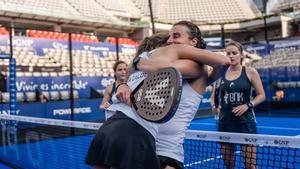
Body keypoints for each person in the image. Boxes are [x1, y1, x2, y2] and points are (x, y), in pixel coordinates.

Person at [85, 32, 229, 169]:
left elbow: (220, 64)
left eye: (175, 37)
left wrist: (137, 64)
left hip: (166, 149)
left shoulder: (194, 69)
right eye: (168, 39)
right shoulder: (151, 71)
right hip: (139, 136)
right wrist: (127, 77)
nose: (170, 41)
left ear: (193, 42)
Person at [217, 40, 265, 169]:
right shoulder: (220, 74)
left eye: (234, 53)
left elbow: (261, 95)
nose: (231, 56)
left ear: (241, 55)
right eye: (228, 53)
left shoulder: (250, 72)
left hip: (246, 123)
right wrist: (216, 104)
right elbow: (216, 95)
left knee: (250, 166)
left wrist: (247, 105)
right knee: (229, 165)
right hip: (225, 123)